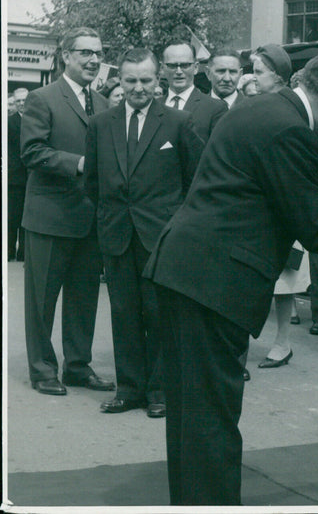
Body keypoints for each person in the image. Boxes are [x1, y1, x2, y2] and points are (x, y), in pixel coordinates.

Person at [143, 50, 318, 505]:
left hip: (185, 271)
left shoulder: (261, 107)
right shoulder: (290, 129)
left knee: (190, 413)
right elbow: (314, 227)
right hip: (214, 282)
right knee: (213, 419)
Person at [84, 48, 204, 418]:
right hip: (117, 235)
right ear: (119, 79)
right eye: (131, 80)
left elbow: (195, 180)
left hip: (161, 238)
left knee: (158, 314)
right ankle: (129, 389)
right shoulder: (100, 124)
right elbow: (92, 183)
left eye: (146, 80)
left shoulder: (179, 122)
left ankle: (159, 391)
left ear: (158, 80)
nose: (138, 88)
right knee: (123, 313)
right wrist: (109, 219)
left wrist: (177, 227)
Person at [20, 26, 114, 396]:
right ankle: (43, 370)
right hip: (50, 217)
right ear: (66, 57)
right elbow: (31, 152)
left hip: (90, 219)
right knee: (41, 300)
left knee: (83, 298)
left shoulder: (105, 104)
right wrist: (78, 164)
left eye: (98, 53)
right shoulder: (43, 98)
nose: (94, 60)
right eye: (85, 53)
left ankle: (77, 365)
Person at [245, 43, 309, 370]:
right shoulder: (255, 103)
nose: (252, 78)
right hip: (257, 208)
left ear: (278, 74)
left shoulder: (294, 108)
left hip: (284, 205)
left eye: (258, 72)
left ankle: (283, 342)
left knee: (286, 280)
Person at [161, 39, 227, 143]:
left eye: (185, 65)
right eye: (172, 65)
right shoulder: (153, 105)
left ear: (196, 67)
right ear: (162, 68)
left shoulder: (215, 108)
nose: (179, 71)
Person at [8, 88, 28, 262]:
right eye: (18, 101)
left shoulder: (36, 121)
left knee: (26, 218)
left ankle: (23, 252)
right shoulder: (8, 122)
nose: (22, 103)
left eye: (24, 100)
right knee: (12, 217)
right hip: (14, 179)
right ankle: (8, 251)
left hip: (31, 178)